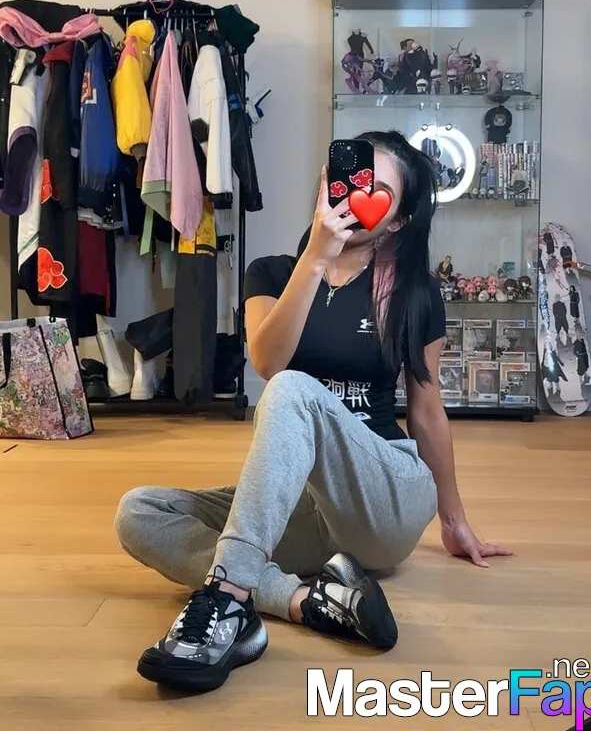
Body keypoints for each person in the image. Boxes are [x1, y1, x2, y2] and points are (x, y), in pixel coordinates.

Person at [114, 129, 511, 695]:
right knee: (138, 511)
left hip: (385, 495)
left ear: (397, 221)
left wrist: (453, 521)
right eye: (349, 179)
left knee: (293, 391)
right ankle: (308, 602)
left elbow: (427, 411)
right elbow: (267, 360)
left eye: (375, 190)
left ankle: (228, 600)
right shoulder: (272, 273)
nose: (355, 195)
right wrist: (316, 258)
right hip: (308, 508)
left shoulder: (414, 291)